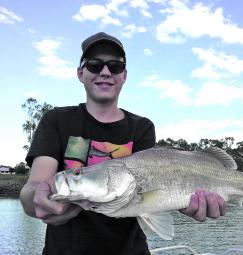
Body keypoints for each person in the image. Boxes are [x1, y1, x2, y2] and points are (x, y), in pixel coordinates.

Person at [20, 32, 226, 255]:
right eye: (94, 65)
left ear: (124, 75)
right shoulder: (56, 120)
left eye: (115, 66)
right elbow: (33, 188)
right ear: (80, 73)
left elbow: (155, 197)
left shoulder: (142, 127)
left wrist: (187, 203)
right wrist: (37, 200)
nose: (105, 72)